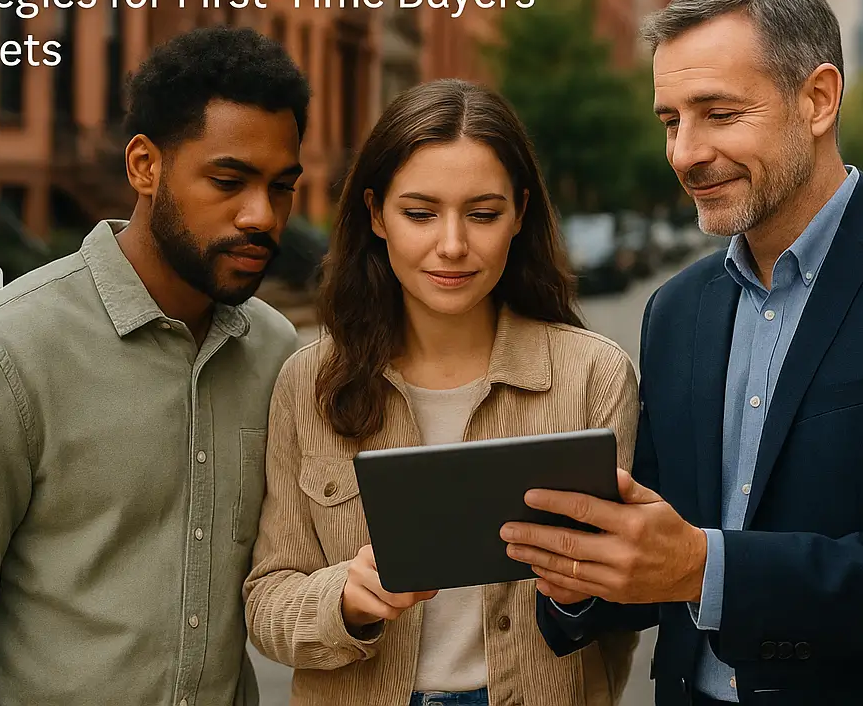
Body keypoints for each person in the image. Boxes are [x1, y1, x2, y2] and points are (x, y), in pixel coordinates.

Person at [502, 0, 863, 705]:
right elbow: (663, 554)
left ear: (819, 99)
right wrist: (581, 578)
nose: (684, 153)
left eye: (718, 113)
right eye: (670, 120)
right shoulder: (676, 311)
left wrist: (712, 570)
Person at [0, 26, 310, 706]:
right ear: (144, 166)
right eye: (228, 181)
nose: (262, 215)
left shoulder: (276, 351)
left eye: (281, 188)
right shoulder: (0, 350)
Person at [244, 79, 641, 706]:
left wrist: (582, 593)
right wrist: (345, 601)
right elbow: (266, 600)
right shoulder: (310, 382)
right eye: (420, 213)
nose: (452, 245)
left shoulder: (594, 376)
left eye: (482, 214)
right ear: (376, 214)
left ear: (519, 215)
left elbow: (624, 606)